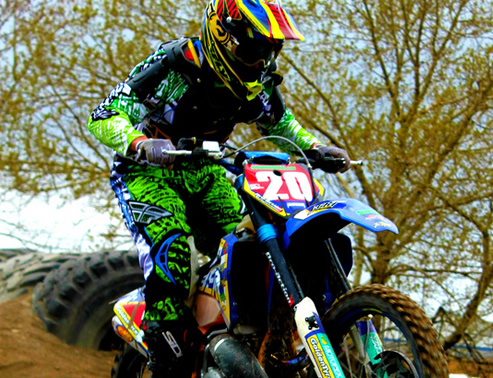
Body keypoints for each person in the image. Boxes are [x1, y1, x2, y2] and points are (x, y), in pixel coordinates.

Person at [86, 0, 350, 376]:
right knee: (175, 251)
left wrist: (312, 148)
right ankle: (166, 356)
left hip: (207, 172)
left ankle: (245, 339)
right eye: (255, 49)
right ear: (224, 38)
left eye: (270, 51)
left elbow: (279, 123)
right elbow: (105, 113)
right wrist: (137, 143)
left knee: (252, 243)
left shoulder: (255, 82)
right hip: (147, 173)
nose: (262, 60)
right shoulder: (176, 63)